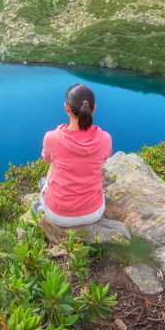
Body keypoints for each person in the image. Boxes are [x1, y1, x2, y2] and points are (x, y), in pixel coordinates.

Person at [37, 83, 113, 227]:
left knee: (53, 165)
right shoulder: (105, 139)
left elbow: (47, 159)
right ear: (94, 108)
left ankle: (43, 201)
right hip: (94, 213)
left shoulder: (52, 138)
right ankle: (45, 185)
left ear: (66, 108)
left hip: (59, 215)